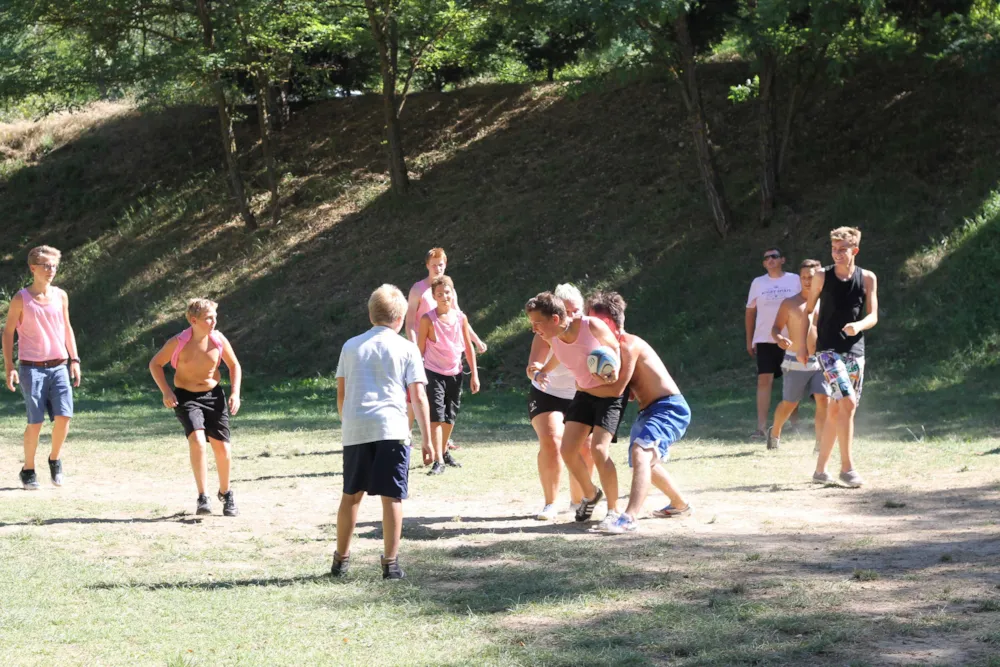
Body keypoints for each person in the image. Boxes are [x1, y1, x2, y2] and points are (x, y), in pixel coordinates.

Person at [331, 285, 432, 580]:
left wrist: (347, 420)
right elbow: (418, 396)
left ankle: (341, 560)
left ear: (370, 314)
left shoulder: (350, 346)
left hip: (357, 428)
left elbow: (342, 392)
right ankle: (390, 563)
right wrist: (428, 440)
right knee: (392, 498)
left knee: (351, 496)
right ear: (401, 318)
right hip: (392, 429)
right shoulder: (407, 348)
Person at [585, 292, 691, 533]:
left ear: (609, 323)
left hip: (668, 407)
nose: (588, 327)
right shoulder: (612, 351)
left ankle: (629, 517)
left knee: (641, 452)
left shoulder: (628, 344)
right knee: (643, 460)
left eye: (593, 321)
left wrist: (586, 385)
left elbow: (618, 389)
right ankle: (680, 504)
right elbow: (630, 393)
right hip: (649, 410)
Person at [526, 292, 622, 530]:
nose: (534, 329)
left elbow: (619, 349)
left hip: (608, 396)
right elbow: (557, 358)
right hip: (584, 395)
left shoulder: (592, 326)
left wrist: (615, 372)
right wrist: (541, 372)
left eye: (537, 323)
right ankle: (591, 494)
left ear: (556, 319)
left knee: (598, 450)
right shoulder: (555, 339)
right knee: (567, 449)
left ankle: (614, 510)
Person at [798, 227, 878, 488]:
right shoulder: (822, 276)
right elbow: (808, 311)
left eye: (843, 249)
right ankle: (847, 468)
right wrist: (802, 346)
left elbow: (873, 315)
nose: (837, 253)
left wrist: (859, 325)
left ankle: (820, 470)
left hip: (855, 350)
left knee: (839, 409)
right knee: (848, 401)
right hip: (828, 350)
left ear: (854, 250)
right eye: (834, 249)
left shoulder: (867, 278)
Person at [149, 299, 243, 516]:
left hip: (214, 395)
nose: (214, 322)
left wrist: (235, 393)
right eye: (209, 318)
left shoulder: (218, 339)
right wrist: (166, 391)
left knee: (222, 448)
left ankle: (226, 493)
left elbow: (234, 365)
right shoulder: (178, 342)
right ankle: (203, 497)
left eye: (215, 317)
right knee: (198, 441)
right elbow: (155, 364)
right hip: (186, 397)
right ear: (193, 320)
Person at [2, 246, 81, 490]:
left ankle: (54, 459)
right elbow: (8, 332)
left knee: (64, 416)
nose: (51, 270)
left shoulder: (61, 295)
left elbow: (67, 328)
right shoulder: (21, 298)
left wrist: (75, 359)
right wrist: (9, 366)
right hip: (31, 368)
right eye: (46, 266)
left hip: (59, 366)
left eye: (54, 266)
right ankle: (28, 469)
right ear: (33, 268)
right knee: (35, 422)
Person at [404, 247, 485, 451]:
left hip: (446, 352)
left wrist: (476, 340)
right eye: (434, 265)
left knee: (444, 400)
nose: (438, 268)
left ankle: (444, 442)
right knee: (416, 393)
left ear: (446, 264)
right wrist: (415, 349)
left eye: (441, 264)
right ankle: (407, 435)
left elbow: (459, 317)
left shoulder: (448, 288)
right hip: (423, 346)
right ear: (427, 266)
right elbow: (410, 322)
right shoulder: (418, 289)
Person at [525, 283, 594, 521]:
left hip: (581, 394)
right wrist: (537, 373)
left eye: (576, 310)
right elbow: (533, 366)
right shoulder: (545, 332)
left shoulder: (589, 328)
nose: (572, 316)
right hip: (548, 392)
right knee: (553, 439)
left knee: (586, 448)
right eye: (568, 310)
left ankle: (579, 502)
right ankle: (550, 503)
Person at [417, 276, 480, 475]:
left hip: (455, 372)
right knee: (437, 415)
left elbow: (468, 348)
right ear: (434, 297)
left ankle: (444, 452)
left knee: (450, 417)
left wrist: (474, 375)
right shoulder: (428, 319)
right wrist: (415, 378)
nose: (444, 297)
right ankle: (438, 461)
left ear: (453, 294)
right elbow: (419, 350)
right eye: (439, 294)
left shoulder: (461, 318)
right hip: (433, 372)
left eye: (447, 292)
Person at [767, 260, 829, 452]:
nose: (807, 281)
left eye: (811, 277)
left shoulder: (826, 302)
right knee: (790, 403)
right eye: (803, 277)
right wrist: (779, 339)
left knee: (823, 398)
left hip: (821, 360)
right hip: (795, 360)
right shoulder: (790, 303)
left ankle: (820, 444)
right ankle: (775, 432)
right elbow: (775, 328)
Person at [745, 247, 801, 439]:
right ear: (764, 263)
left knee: (791, 381)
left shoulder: (794, 279)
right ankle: (761, 428)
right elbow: (750, 311)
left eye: (774, 257)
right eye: (766, 258)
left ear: (782, 259)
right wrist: (750, 339)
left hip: (790, 338)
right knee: (764, 380)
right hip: (764, 338)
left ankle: (794, 426)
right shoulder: (758, 283)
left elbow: (805, 305)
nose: (770, 260)